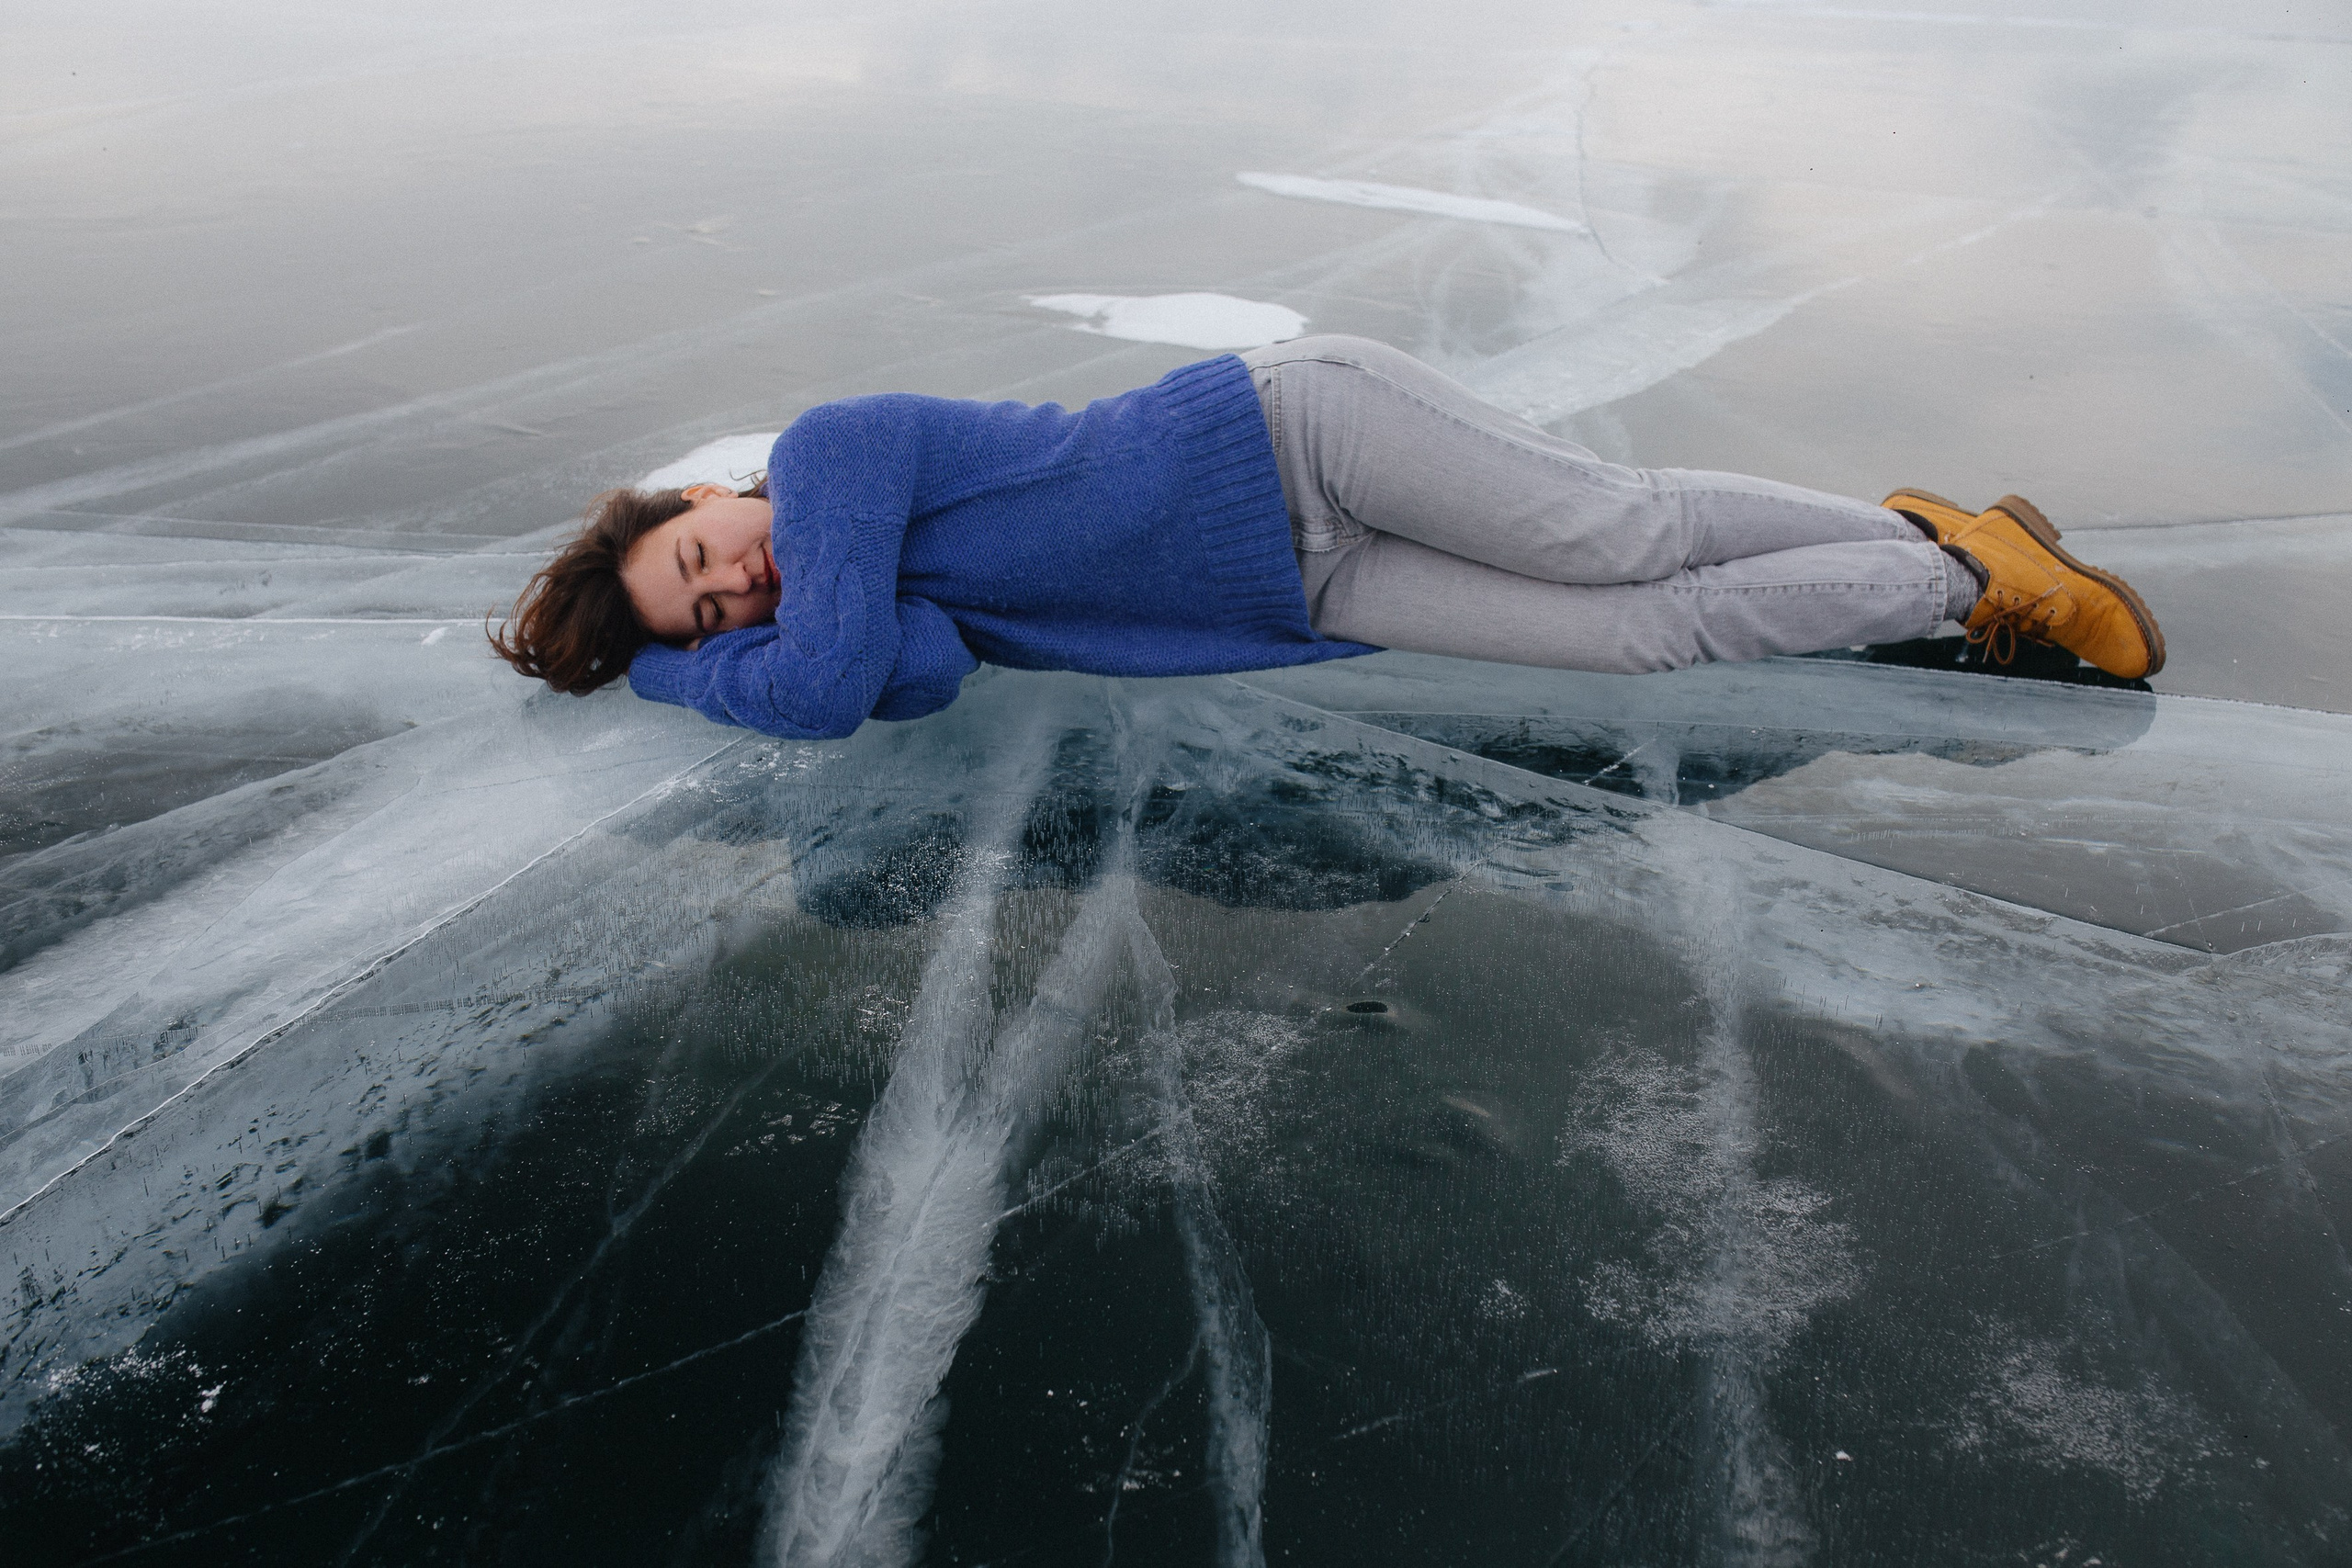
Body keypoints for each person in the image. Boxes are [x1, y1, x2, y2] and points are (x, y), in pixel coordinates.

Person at [488, 336, 2164, 738]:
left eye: (707, 562)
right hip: (1304, 578)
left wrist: (665, 683)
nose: (740, 590)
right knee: (1636, 629)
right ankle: (1935, 547)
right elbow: (899, 670)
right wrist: (704, 663)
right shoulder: (856, 581)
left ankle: (1966, 574)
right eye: (712, 621)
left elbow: (835, 670)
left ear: (711, 498)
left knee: (1614, 534)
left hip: (1292, 433)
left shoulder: (828, 456)